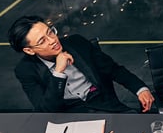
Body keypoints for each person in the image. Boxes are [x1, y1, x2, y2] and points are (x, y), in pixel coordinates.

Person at [8, 15, 154, 113]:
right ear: (29, 50)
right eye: (42, 41)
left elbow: (113, 69)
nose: (52, 40)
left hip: (104, 105)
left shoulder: (77, 43)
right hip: (69, 117)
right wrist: (58, 72)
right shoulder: (26, 70)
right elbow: (46, 110)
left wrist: (140, 89)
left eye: (50, 32)